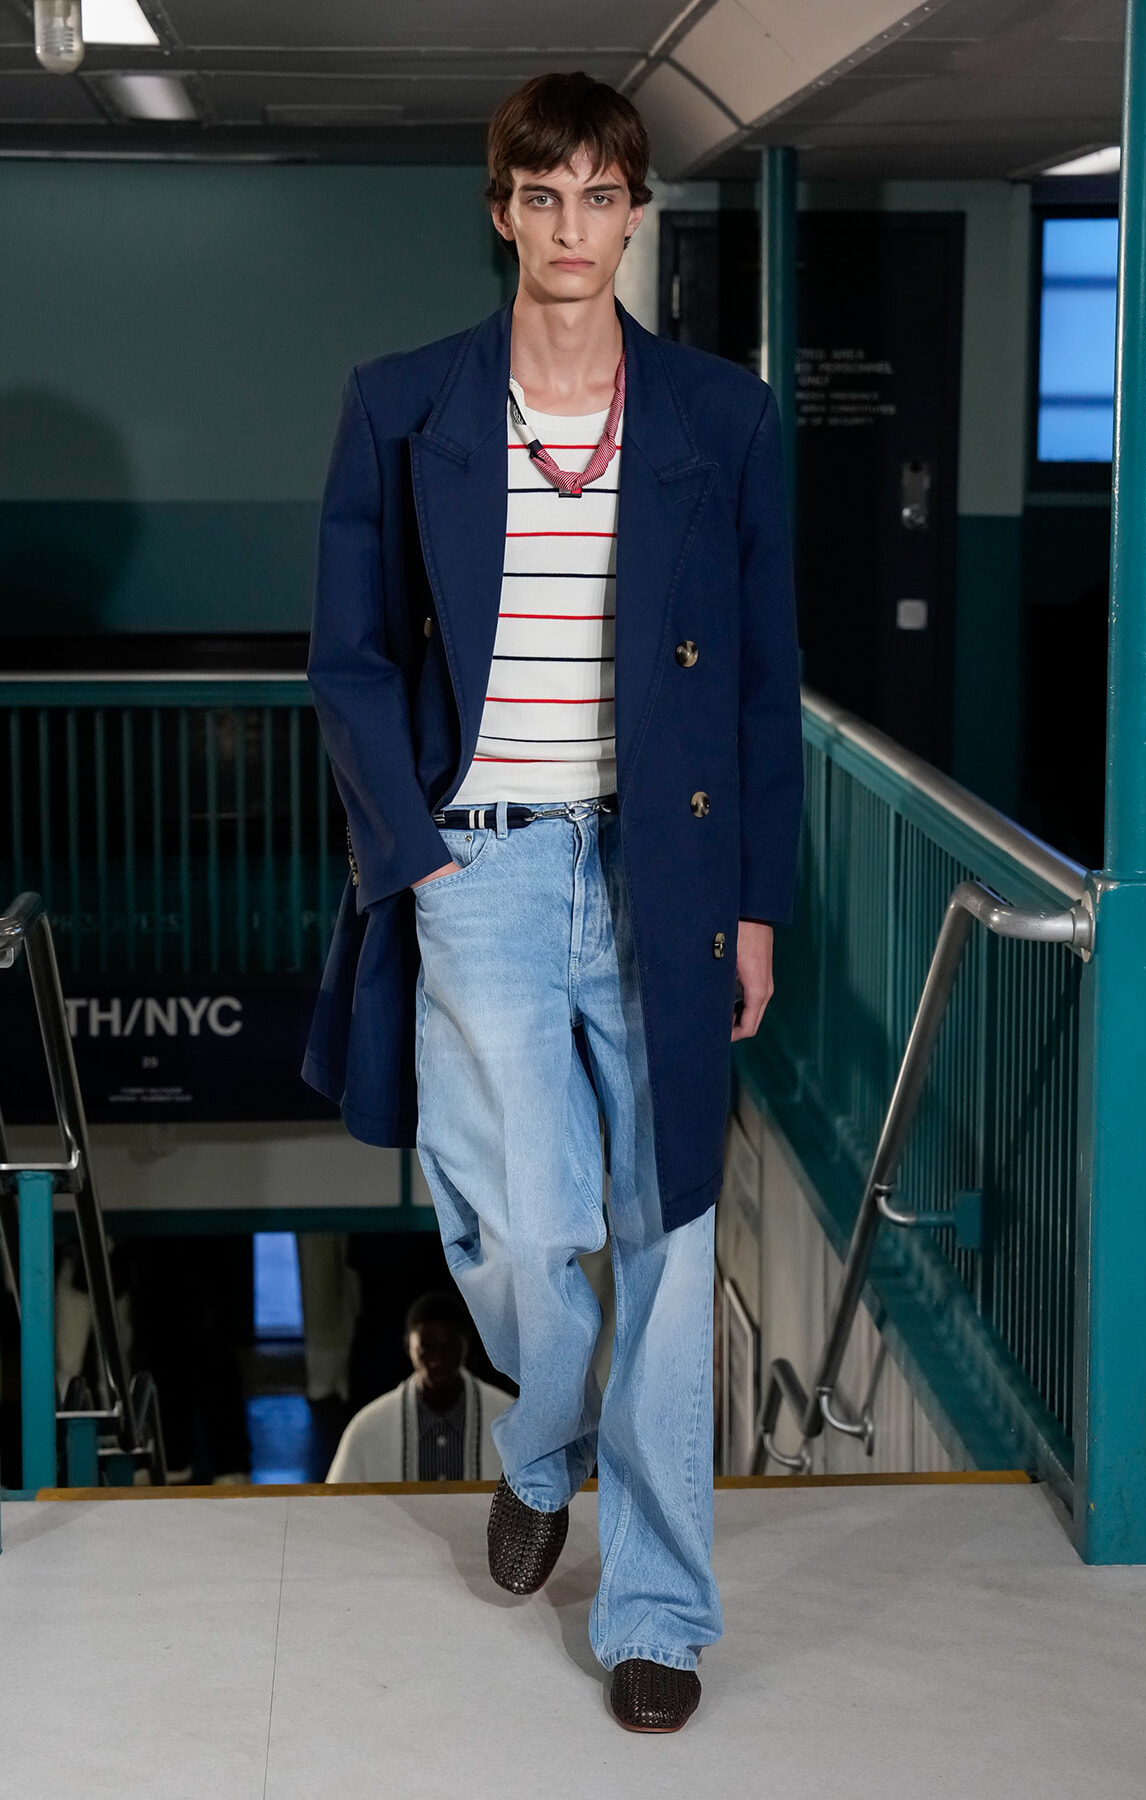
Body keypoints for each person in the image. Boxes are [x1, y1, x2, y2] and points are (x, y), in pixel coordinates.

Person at [301, 70, 803, 1732]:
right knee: (515, 1220)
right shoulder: (403, 402)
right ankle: (541, 1437)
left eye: (604, 196)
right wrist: (424, 851)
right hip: (489, 860)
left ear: (632, 215)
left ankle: (656, 1608)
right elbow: (352, 658)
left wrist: (755, 903)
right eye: (545, 194)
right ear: (502, 209)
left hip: (663, 863)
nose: (574, 227)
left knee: (661, 1232)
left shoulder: (721, 420)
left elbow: (760, 675)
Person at [326, 1290, 509, 1482]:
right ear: (408, 1346)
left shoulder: (508, 1421)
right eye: (426, 1349)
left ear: (466, 1345)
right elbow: (338, 1505)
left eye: (448, 1348)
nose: (437, 1361)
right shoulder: (367, 1427)